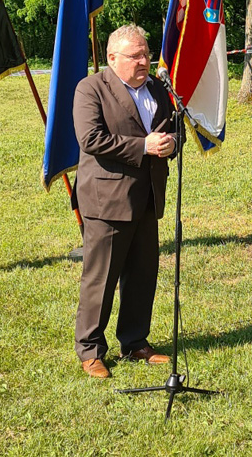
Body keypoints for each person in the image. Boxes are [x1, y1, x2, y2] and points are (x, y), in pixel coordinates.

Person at [72, 24, 178, 378]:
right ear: (112, 58)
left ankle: (134, 342)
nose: (144, 61)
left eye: (146, 54)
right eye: (135, 56)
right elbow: (91, 139)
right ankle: (91, 350)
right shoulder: (91, 88)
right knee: (101, 277)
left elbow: (173, 129)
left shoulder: (158, 88)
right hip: (107, 200)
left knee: (143, 274)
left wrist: (171, 144)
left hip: (148, 195)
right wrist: (143, 147)